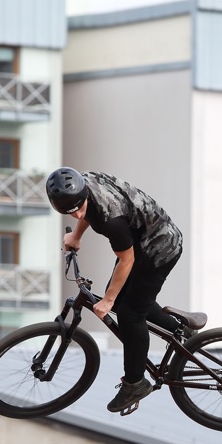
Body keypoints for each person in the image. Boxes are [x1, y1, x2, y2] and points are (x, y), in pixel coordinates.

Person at [47, 167, 185, 414]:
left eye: (79, 208)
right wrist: (76, 236)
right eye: (70, 212)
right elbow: (88, 212)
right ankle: (180, 330)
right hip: (143, 238)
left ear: (84, 194)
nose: (77, 214)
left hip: (159, 248)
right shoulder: (82, 183)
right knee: (124, 300)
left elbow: (126, 261)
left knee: (130, 315)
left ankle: (135, 383)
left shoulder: (112, 221)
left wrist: (108, 300)